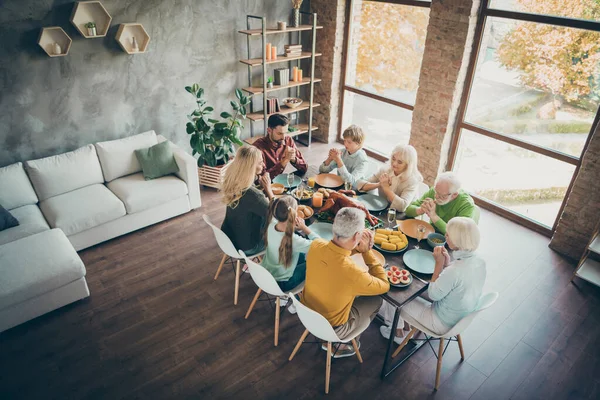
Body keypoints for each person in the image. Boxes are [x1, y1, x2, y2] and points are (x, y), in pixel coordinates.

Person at [379, 217, 486, 342]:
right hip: (460, 317)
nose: (445, 236)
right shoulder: (480, 261)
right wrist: (447, 264)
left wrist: (439, 264)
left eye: (448, 234)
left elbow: (433, 294)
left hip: (441, 322)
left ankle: (397, 333)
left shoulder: (455, 271)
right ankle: (404, 324)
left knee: (395, 292)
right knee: (408, 287)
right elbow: (458, 281)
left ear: (457, 241)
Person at [302, 207, 390, 357]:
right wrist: (367, 252)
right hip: (332, 329)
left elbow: (336, 254)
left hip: (306, 314)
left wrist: (357, 249)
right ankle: (341, 344)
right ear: (357, 236)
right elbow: (384, 285)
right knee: (376, 300)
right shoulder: (353, 273)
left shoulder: (316, 246)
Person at [262, 195, 320, 295]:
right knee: (318, 261)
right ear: (294, 214)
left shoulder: (271, 224)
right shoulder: (294, 240)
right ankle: (298, 300)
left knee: (304, 255)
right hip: (283, 284)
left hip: (267, 274)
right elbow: (321, 245)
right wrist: (305, 228)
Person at [221, 146, 273, 255]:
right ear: (250, 167)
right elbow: (277, 214)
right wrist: (268, 190)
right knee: (279, 226)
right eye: (260, 163)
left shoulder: (233, 179)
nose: (263, 165)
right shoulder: (253, 195)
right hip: (247, 248)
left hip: (228, 238)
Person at [405, 171, 478, 234]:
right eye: (436, 192)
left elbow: (457, 235)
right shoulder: (435, 191)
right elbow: (408, 210)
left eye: (441, 196)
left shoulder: (466, 205)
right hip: (432, 234)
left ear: (454, 195)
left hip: (451, 244)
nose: (436, 196)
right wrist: (420, 210)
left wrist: (433, 216)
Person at [357, 144, 423, 212]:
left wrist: (386, 188)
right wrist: (379, 184)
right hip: (383, 210)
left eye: (399, 162)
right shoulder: (385, 170)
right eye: (393, 159)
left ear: (408, 165)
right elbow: (360, 184)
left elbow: (402, 207)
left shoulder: (412, 181)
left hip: (403, 216)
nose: (394, 163)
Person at [253, 114, 308, 179]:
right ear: (269, 131)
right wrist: (284, 162)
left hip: (280, 184)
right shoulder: (257, 148)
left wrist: (294, 159)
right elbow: (261, 179)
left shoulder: (288, 140)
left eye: (285, 132)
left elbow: (304, 168)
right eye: (279, 133)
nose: (283, 137)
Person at [319, 125, 369, 189]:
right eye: (344, 140)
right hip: (340, 186)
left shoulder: (363, 161)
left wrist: (339, 160)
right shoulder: (342, 152)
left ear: (358, 143)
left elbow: (350, 181)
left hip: (355, 191)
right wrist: (329, 159)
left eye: (349, 142)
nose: (345, 144)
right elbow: (322, 171)